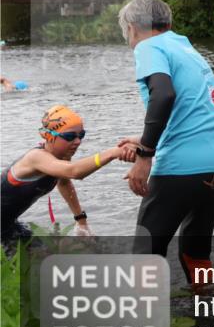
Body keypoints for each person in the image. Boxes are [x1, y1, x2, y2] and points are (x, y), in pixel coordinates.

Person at [117, 0, 214, 285]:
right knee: (194, 251)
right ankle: (211, 319)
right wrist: (144, 137)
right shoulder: (185, 48)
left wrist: (145, 155)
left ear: (132, 27)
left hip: (185, 164)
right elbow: (193, 108)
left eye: (126, 34)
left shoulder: (148, 47)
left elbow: (164, 94)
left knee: (144, 254)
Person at [2, 105, 129, 250]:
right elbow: (74, 172)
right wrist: (112, 153)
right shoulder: (36, 157)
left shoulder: (62, 157)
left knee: (48, 260)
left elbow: (64, 183)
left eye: (81, 135)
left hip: (8, 225)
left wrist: (81, 221)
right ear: (48, 136)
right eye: (69, 136)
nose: (77, 141)